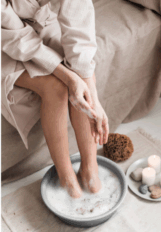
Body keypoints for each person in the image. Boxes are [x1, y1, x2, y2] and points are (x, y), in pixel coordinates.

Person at [1, 0, 109, 198]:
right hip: (6, 38)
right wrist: (68, 77)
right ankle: (65, 176)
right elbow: (14, 35)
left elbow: (78, 18)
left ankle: (89, 168)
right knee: (57, 88)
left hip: (41, 29)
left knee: (82, 74)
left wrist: (90, 91)